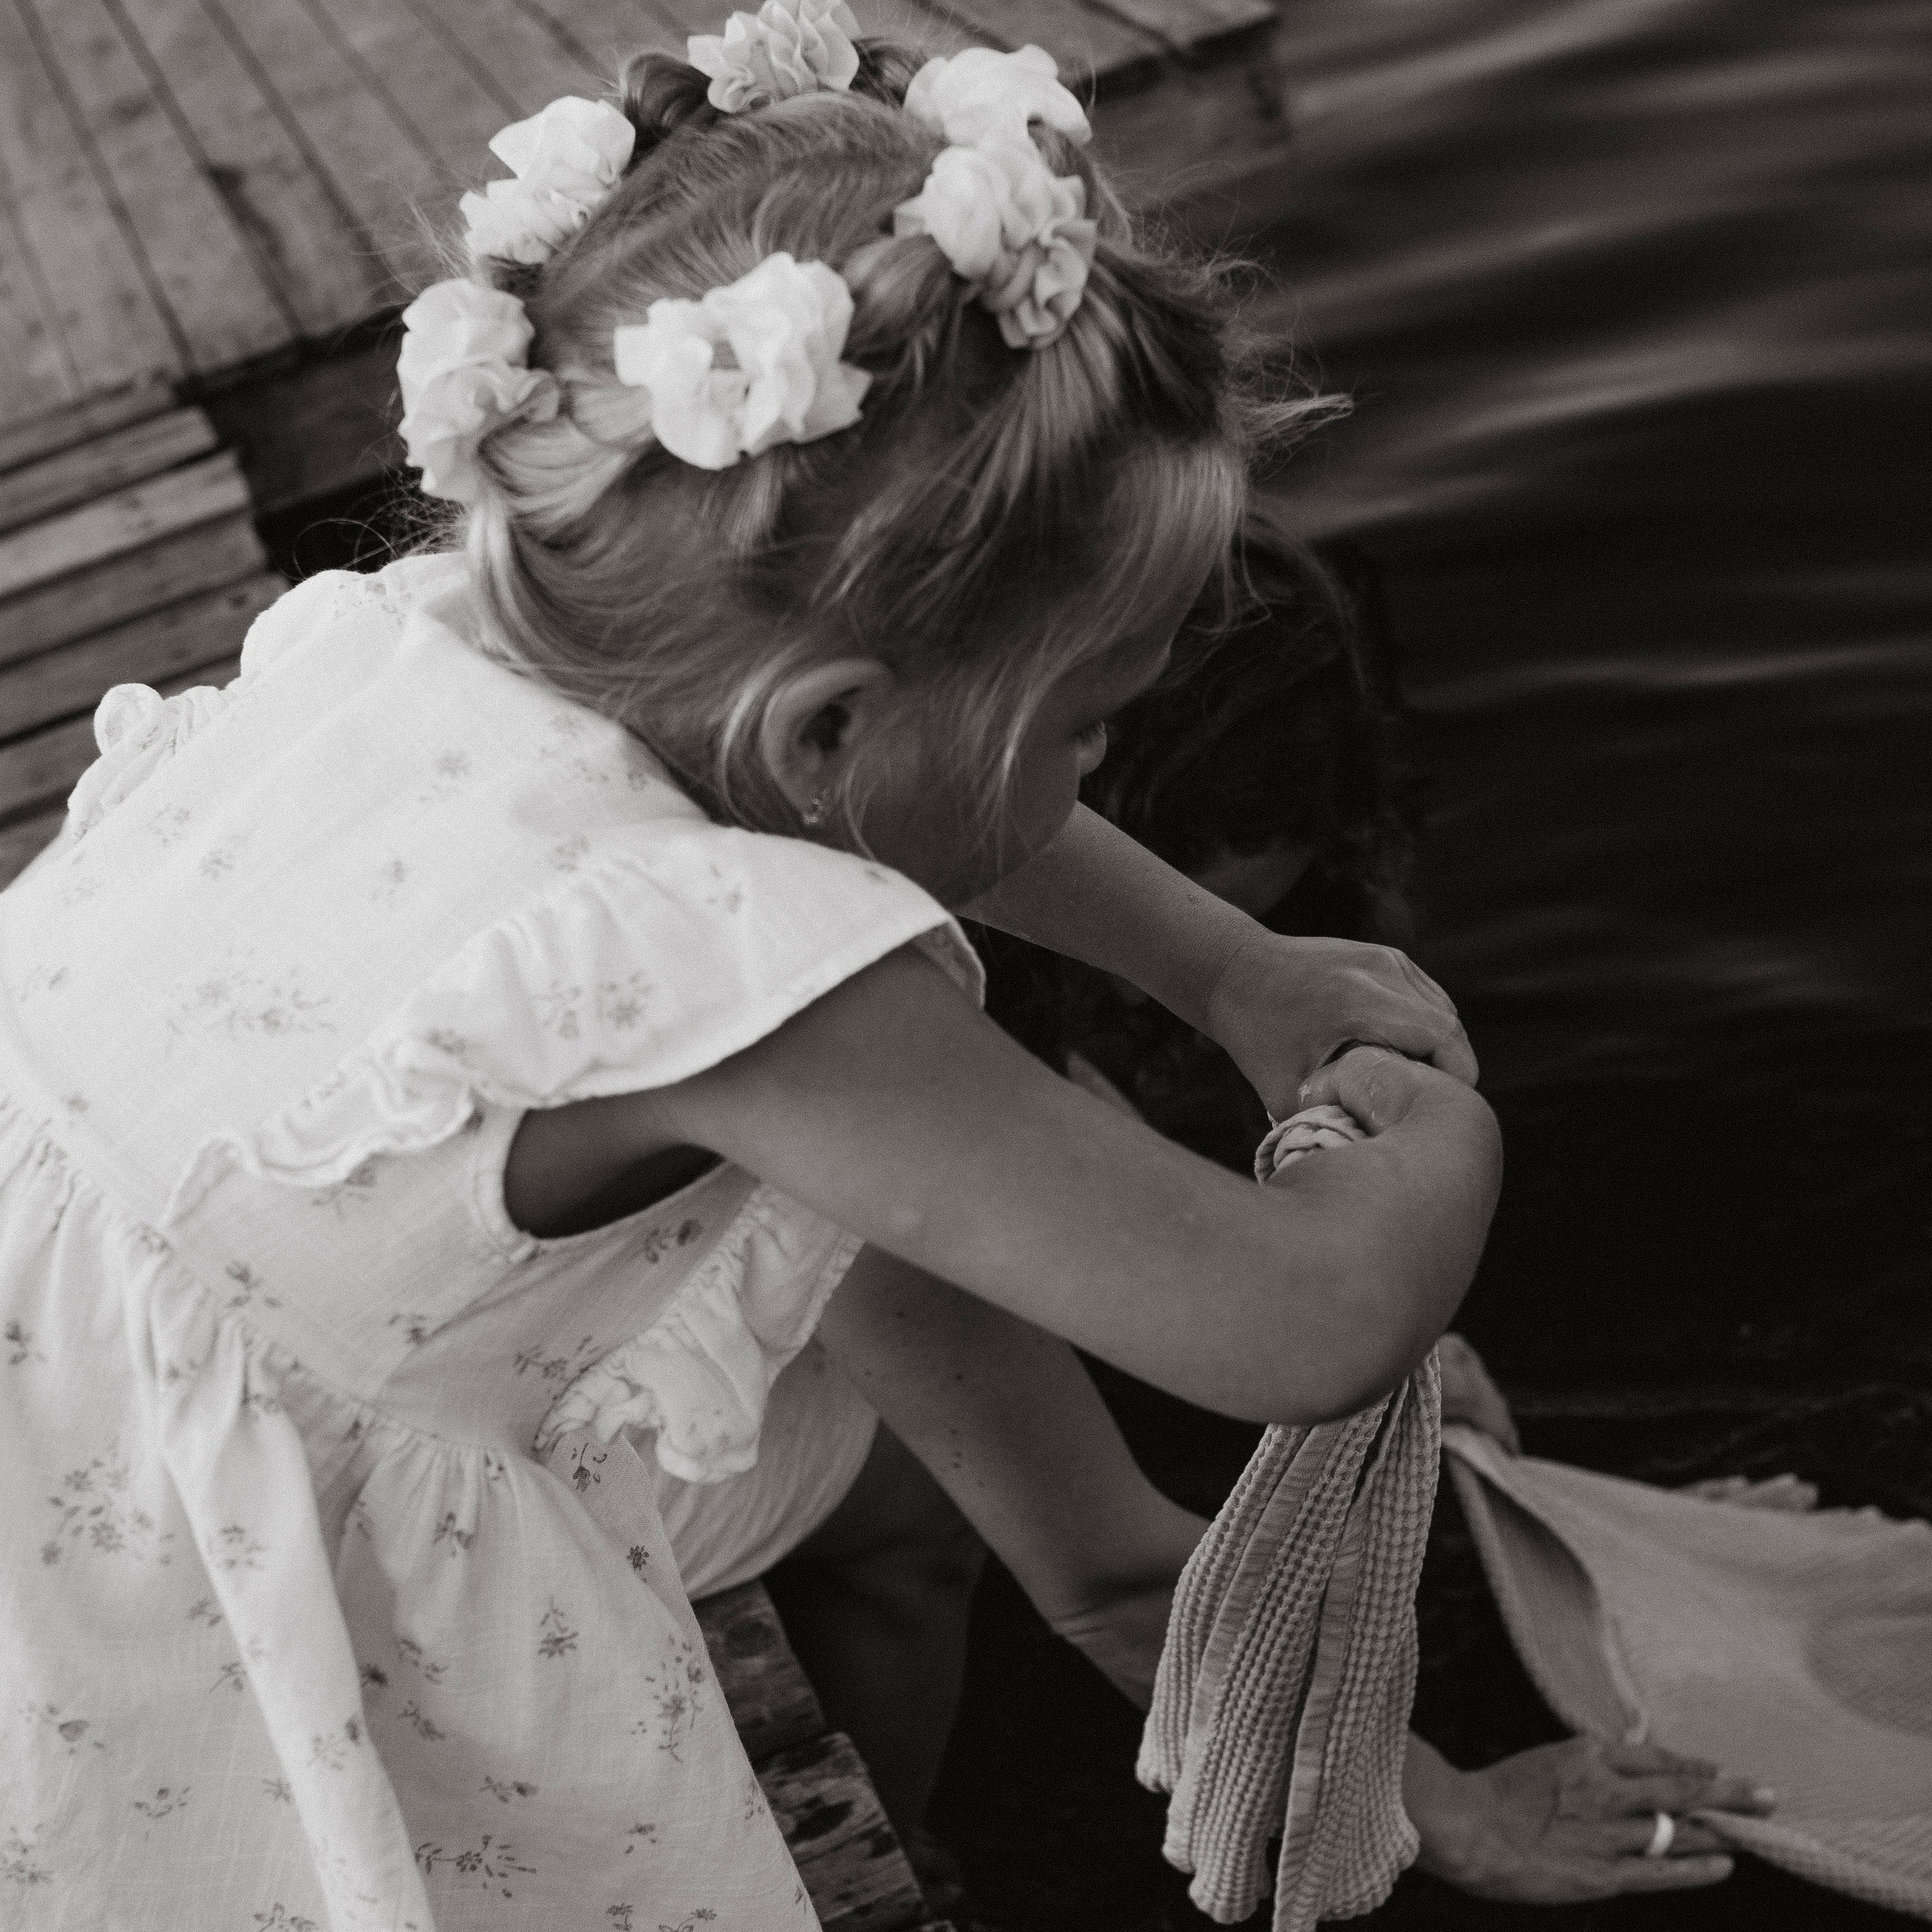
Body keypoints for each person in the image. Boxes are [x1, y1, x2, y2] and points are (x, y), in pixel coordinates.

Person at [0, 15, 1496, 1927]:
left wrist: (1229, 969)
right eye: (1088, 728)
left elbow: (903, 781)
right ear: (826, 739)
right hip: (162, 1586)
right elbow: (1296, 1320)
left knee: (875, 1494)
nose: (1095, 773)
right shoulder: (716, 971)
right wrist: (1423, 1149)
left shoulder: (445, 622)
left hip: (85, 1366)